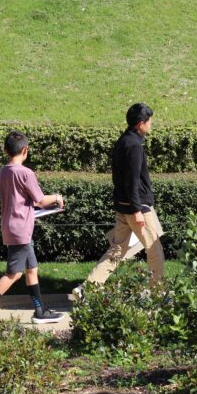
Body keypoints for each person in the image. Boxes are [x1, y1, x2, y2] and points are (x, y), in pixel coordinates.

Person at [0, 131, 65, 325]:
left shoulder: (3, 172)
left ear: (5, 150)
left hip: (11, 226)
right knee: (14, 273)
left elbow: (21, 198)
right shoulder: (26, 173)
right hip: (21, 229)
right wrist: (57, 197)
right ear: (25, 150)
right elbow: (40, 200)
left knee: (32, 269)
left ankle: (40, 311)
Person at [76, 103, 165, 296]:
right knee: (155, 250)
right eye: (149, 121)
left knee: (117, 250)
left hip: (123, 207)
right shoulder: (135, 146)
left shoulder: (123, 140)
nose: (151, 124)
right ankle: (158, 294)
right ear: (141, 124)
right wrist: (137, 210)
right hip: (137, 208)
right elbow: (132, 181)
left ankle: (87, 288)